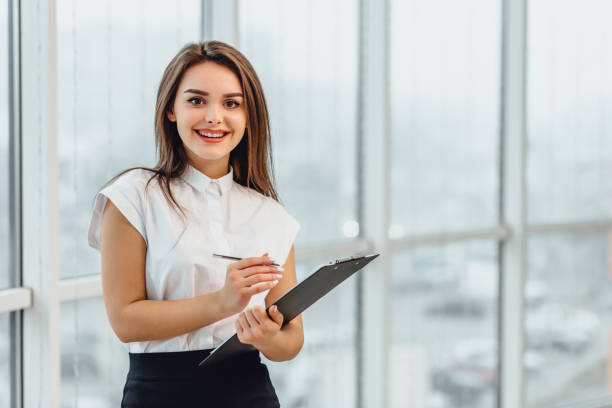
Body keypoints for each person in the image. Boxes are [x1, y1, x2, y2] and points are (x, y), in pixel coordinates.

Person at [87, 40, 303, 407]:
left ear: (249, 117)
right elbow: (125, 320)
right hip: (158, 393)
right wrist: (223, 302)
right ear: (171, 109)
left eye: (231, 103)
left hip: (250, 393)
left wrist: (266, 336)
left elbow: (291, 340)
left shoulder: (271, 215)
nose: (214, 117)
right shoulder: (132, 197)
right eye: (196, 100)